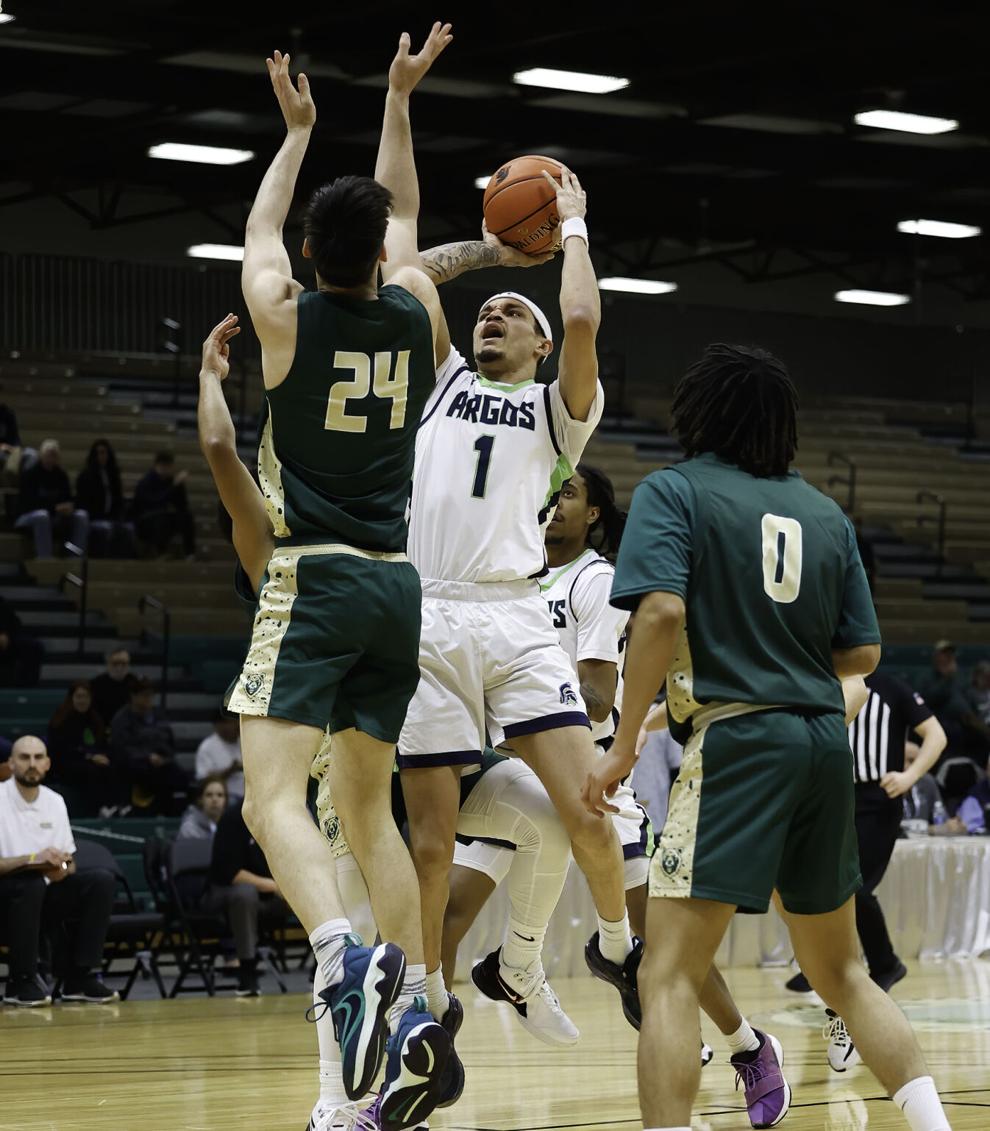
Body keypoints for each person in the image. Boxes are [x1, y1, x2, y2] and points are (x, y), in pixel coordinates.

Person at [583, 342, 952, 1131]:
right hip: (823, 742)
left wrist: (621, 743)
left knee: (670, 975)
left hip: (738, 738)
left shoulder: (674, 490)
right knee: (846, 971)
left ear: (698, 413)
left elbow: (660, 612)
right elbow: (862, 652)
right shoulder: (825, 512)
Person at [375, 30, 639, 1066]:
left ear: (535, 347)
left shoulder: (558, 413)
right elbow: (402, 260)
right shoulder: (441, 381)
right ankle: (431, 994)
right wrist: (494, 249)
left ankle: (616, 943)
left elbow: (581, 316)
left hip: (517, 614)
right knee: (433, 837)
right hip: (431, 611)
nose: (493, 315)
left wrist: (569, 225)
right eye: (485, 313)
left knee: (583, 803)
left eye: (509, 315)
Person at [224, 31, 456, 1129]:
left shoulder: (284, 316)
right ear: (377, 256)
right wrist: (399, 104)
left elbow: (261, 226)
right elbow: (403, 217)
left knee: (268, 796)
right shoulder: (417, 310)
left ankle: (339, 961)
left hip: (313, 574)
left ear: (317, 249)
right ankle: (414, 1004)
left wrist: (297, 131)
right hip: (397, 586)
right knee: (369, 817)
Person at [0, 735, 117, 1005]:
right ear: (11, 763)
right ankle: (21, 981)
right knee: (31, 883)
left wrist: (62, 868)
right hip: (8, 896)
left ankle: (79, 977)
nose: (32, 763)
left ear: (48, 763)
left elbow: (71, 861)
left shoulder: (55, 801)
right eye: (24, 757)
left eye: (38, 757)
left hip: (45, 892)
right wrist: (31, 859)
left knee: (100, 880)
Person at [203, 797, 289, 997]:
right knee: (245, 894)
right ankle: (247, 970)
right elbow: (233, 874)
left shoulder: (281, 816)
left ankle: (322, 967)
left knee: (311, 891)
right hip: (224, 895)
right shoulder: (234, 817)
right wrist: (276, 886)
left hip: (269, 898)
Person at [109, 678, 188, 816]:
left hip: (159, 764)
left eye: (151, 695)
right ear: (133, 696)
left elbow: (168, 740)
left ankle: (173, 816)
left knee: (181, 777)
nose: (148, 699)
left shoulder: (158, 715)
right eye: (144, 695)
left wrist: (164, 757)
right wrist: (146, 757)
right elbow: (122, 749)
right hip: (133, 766)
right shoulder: (121, 719)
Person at [46, 679, 114, 817]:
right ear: (72, 698)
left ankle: (113, 807)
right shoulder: (60, 719)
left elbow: (102, 744)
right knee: (91, 771)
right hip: (66, 763)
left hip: (91, 760)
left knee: (111, 766)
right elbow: (61, 750)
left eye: (86, 697)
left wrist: (102, 756)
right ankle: (97, 810)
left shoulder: (95, 719)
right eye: (79, 697)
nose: (82, 701)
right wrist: (89, 757)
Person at [916, 640, 990, 764]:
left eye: (950, 655)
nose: (947, 658)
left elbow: (969, 696)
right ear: (936, 657)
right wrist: (947, 678)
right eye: (944, 654)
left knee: (980, 738)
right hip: (939, 721)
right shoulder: (926, 677)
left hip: (964, 723)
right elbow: (928, 699)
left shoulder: (960, 677)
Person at [15, 438, 90, 559]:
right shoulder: (31, 474)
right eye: (48, 455)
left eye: (54, 455)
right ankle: (45, 559)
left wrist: (69, 507)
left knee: (81, 516)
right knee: (42, 515)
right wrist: (54, 508)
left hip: (55, 516)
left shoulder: (61, 475)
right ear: (42, 455)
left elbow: (68, 498)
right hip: (26, 516)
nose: (51, 458)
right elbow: (28, 503)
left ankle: (75, 558)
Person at [75, 438, 135, 558]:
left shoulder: (113, 475)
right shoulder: (85, 476)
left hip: (112, 518)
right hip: (94, 518)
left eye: (104, 452)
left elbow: (118, 500)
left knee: (129, 529)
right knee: (107, 529)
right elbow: (82, 502)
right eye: (99, 453)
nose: (102, 456)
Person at [131, 451, 196, 559]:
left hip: (164, 516)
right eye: (163, 466)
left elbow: (182, 505)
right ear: (157, 466)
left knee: (186, 517)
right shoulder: (146, 482)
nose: (166, 469)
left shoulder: (170, 481)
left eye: (168, 466)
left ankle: (189, 553)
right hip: (145, 520)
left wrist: (179, 486)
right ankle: (161, 553)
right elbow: (155, 502)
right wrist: (174, 486)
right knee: (161, 519)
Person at [195, 709, 244, 800]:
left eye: (236, 721)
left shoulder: (246, 741)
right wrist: (230, 770)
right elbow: (203, 781)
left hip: (250, 797)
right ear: (219, 725)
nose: (236, 725)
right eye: (230, 722)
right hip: (226, 797)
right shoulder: (207, 747)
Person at [0, 593, 44, 689]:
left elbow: (15, 621)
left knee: (34, 647)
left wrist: (5, 633)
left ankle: (26, 691)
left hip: (6, 641)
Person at [89, 647, 137, 729]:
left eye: (124, 663)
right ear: (107, 664)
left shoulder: (135, 683)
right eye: (115, 663)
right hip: (103, 728)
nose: (119, 667)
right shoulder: (96, 684)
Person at [178, 774, 228, 841]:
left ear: (226, 800)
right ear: (200, 800)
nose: (214, 799)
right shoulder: (189, 829)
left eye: (220, 795)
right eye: (209, 795)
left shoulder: (232, 827)